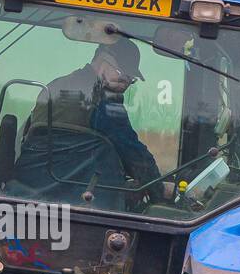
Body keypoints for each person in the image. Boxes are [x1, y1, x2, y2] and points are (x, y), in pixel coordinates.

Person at [12, 37, 161, 208]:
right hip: (85, 200)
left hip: (30, 188)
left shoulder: (54, 86)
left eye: (131, 79)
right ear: (102, 60)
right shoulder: (105, 100)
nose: (126, 83)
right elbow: (133, 153)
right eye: (123, 75)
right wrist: (158, 190)